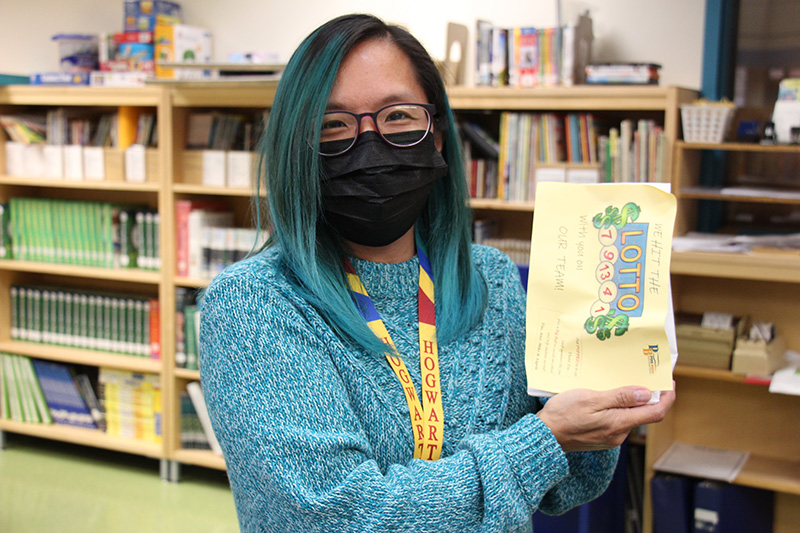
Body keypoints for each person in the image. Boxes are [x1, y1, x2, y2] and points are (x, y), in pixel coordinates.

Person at [198, 13, 675, 533]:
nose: (370, 142)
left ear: (439, 134)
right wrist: (545, 438)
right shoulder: (252, 305)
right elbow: (335, 518)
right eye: (332, 125)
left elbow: (564, 487)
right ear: (297, 148)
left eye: (398, 116)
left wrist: (609, 397)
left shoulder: (490, 279)